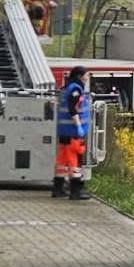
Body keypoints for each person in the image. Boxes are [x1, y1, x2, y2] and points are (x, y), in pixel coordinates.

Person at [54, 66, 91, 200]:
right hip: (72, 132)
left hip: (64, 131)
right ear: (79, 76)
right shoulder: (75, 89)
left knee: (62, 161)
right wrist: (79, 126)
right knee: (74, 161)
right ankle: (76, 191)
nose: (87, 79)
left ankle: (57, 189)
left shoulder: (66, 88)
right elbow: (72, 108)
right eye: (86, 76)